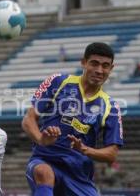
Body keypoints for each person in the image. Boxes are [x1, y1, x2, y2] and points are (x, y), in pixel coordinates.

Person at [22, 42, 124, 196]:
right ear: (83, 62)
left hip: (79, 175)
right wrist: (40, 139)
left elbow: (112, 153)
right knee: (44, 173)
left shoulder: (111, 107)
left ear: (111, 69)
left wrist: (85, 149)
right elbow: (29, 119)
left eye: (105, 66)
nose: (99, 70)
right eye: (94, 64)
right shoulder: (58, 82)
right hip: (44, 159)